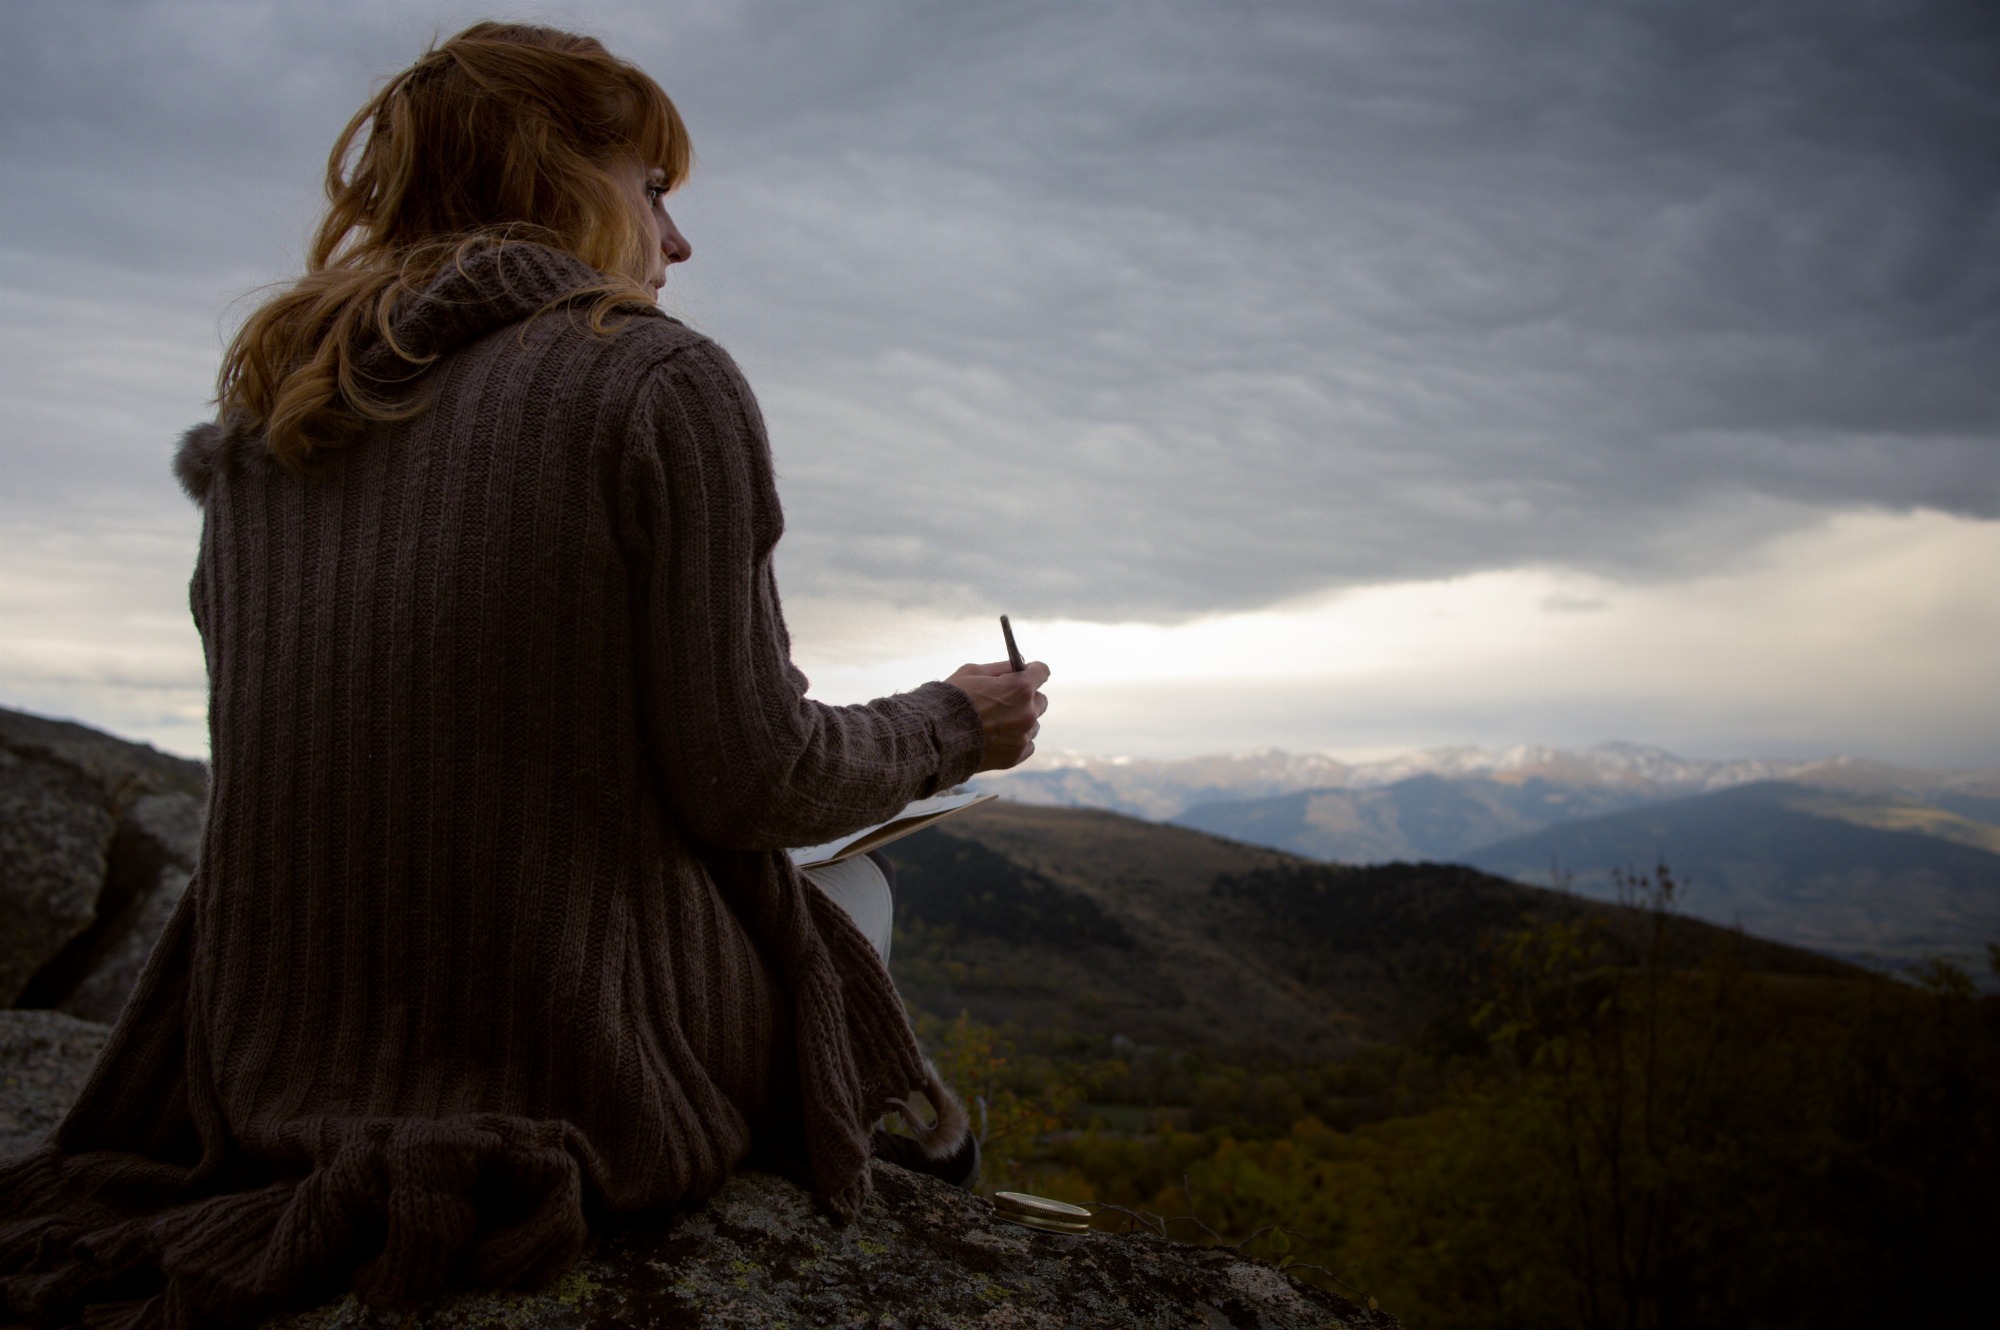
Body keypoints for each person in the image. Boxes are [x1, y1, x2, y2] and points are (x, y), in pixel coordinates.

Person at [0, 21, 1048, 1329]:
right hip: (575, 1052)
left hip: (277, 1044)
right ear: (555, 179)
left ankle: (929, 1136)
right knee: (854, 882)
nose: (676, 241)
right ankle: (932, 1147)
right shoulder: (656, 380)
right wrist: (958, 722)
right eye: (652, 188)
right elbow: (757, 776)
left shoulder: (268, 430)